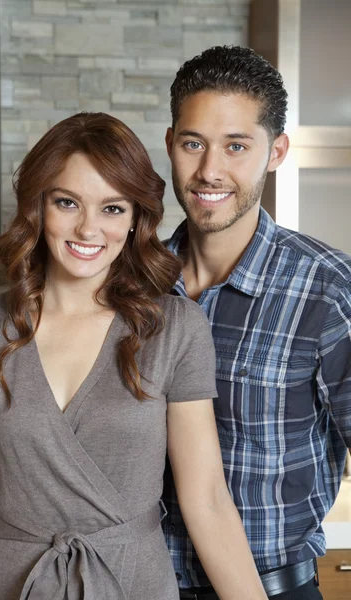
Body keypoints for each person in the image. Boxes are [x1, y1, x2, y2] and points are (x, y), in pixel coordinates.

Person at [0, 112, 267, 600]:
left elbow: (206, 500)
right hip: (15, 585)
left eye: (113, 208)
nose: (88, 228)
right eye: (67, 202)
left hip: (133, 582)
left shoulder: (174, 328)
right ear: (39, 205)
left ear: (137, 217)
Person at [162, 45, 351, 600]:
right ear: (171, 143)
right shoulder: (133, 286)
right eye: (193, 143)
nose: (209, 171)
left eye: (236, 146)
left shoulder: (328, 290)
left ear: (277, 151)